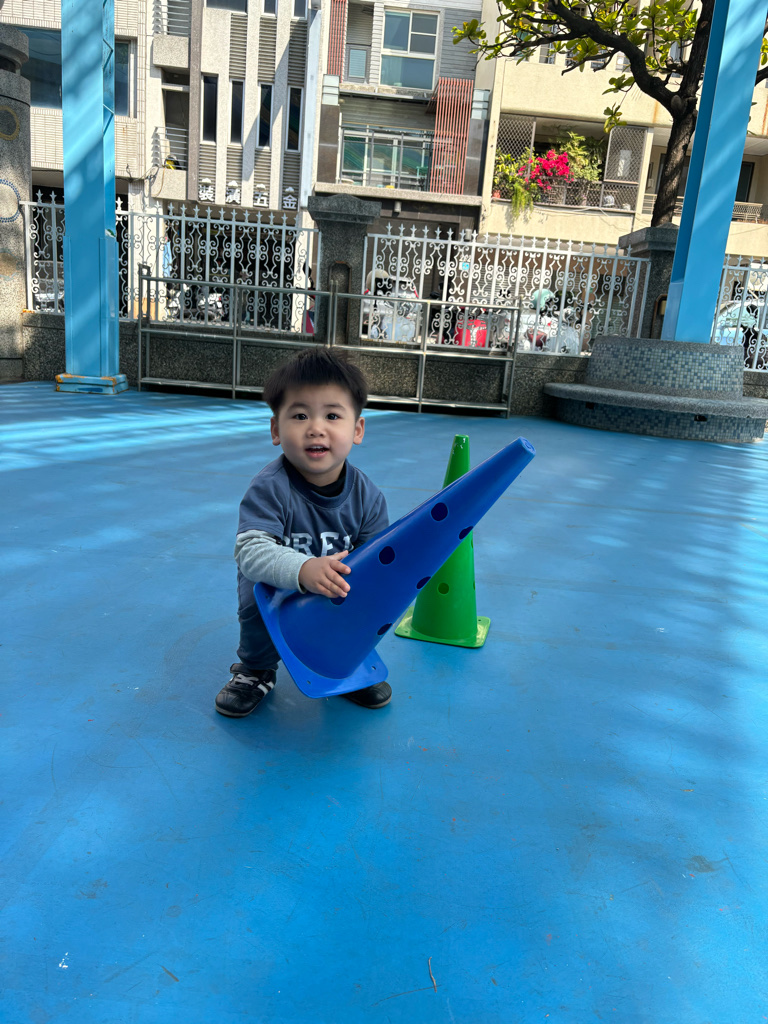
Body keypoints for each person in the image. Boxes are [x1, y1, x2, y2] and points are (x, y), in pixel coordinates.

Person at [215, 346, 391, 718]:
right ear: (276, 430)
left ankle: (344, 663)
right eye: (299, 415)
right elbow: (250, 550)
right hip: (276, 591)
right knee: (255, 603)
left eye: (332, 415)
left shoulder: (368, 496)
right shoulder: (269, 488)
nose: (315, 427)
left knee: (357, 607)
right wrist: (303, 570)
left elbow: (378, 557)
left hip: (335, 590)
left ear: (357, 429)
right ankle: (257, 669)